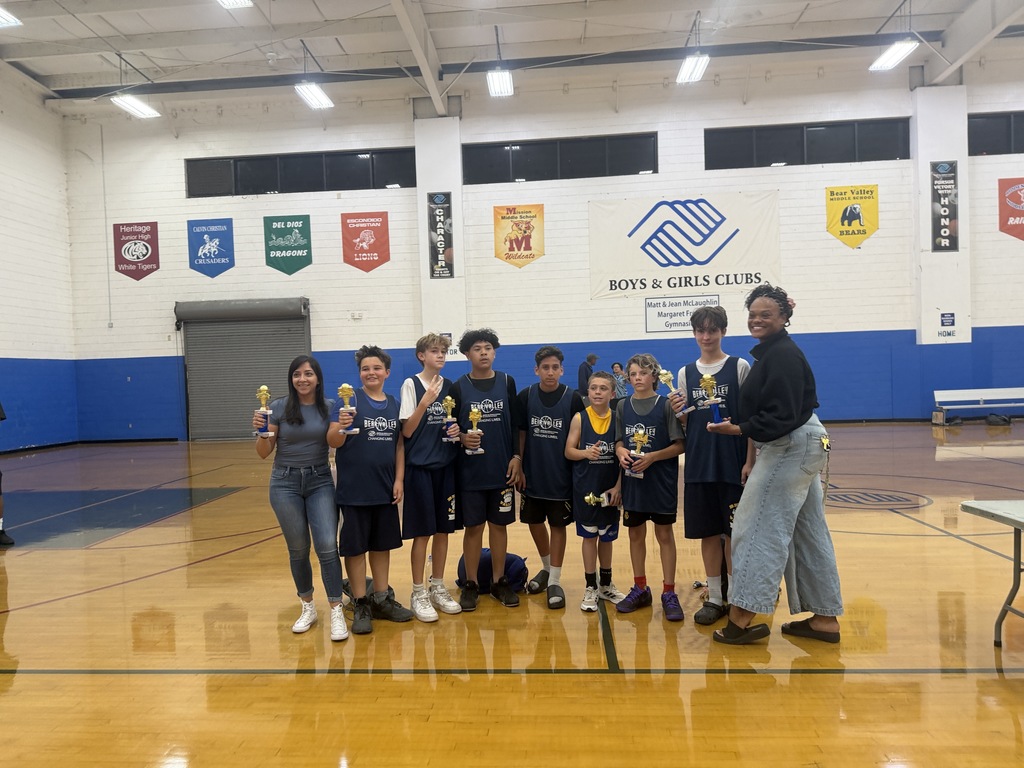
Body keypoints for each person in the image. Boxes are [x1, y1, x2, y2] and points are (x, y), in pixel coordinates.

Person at [707, 284, 842, 645]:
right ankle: (825, 619)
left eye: (766, 314)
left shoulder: (781, 355)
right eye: (753, 314)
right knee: (808, 531)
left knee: (755, 528)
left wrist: (740, 428)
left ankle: (740, 620)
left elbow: (780, 415)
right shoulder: (775, 353)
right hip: (804, 442)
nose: (757, 319)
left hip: (789, 445)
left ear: (784, 317)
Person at [668, 305, 754, 626]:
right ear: (694, 334)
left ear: (723, 332)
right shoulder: (685, 373)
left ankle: (737, 596)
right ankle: (715, 597)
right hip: (700, 465)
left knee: (734, 534)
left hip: (732, 464)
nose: (706, 336)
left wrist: (749, 462)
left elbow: (748, 421)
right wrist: (680, 413)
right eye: (700, 331)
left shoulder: (739, 366)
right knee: (708, 533)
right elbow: (689, 425)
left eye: (712, 330)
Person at [252, 355, 347, 642]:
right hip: (284, 482)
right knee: (298, 548)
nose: (302, 379)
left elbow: (335, 443)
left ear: (317, 378)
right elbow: (263, 452)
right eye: (297, 374)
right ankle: (307, 606)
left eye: (308, 374)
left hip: (319, 479)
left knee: (328, 546)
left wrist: (341, 425)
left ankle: (335, 608)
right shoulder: (278, 407)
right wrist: (261, 431)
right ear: (291, 379)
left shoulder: (331, 407)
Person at [328, 345, 413, 635]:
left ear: (387, 372)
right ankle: (361, 601)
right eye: (366, 368)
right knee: (354, 548)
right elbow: (334, 443)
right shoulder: (347, 402)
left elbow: (399, 445)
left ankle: (381, 598)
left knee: (381, 546)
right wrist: (340, 426)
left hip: (384, 490)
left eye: (377, 368)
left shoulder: (393, 403)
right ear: (359, 373)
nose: (371, 372)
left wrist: (399, 479)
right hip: (354, 491)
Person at [450, 328, 522, 610]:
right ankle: (471, 584)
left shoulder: (507, 382)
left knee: (500, 526)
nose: (483, 352)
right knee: (473, 528)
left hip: (501, 470)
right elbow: (449, 428)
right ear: (467, 354)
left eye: (488, 347)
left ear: (494, 352)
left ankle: (499, 582)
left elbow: (516, 424)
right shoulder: (458, 387)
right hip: (471, 472)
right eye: (477, 348)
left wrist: (517, 456)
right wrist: (461, 438)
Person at [614, 353, 686, 621]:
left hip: (661, 483)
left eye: (642, 374)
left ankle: (669, 591)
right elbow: (619, 441)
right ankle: (641, 588)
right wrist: (621, 452)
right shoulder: (622, 406)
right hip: (634, 484)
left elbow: (680, 445)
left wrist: (652, 457)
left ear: (654, 376)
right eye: (632, 374)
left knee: (664, 535)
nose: (637, 378)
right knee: (635, 535)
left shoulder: (665, 405)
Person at [399, 333, 463, 622]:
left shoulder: (449, 387)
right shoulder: (411, 385)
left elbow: (454, 426)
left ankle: (438, 585)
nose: (440, 356)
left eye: (443, 352)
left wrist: (456, 432)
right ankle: (418, 590)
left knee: (443, 531)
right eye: (434, 351)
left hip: (445, 467)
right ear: (421, 355)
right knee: (422, 532)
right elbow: (407, 431)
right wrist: (424, 403)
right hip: (419, 469)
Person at [516, 345, 585, 609]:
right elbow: (521, 434)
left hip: (561, 477)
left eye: (555, 367)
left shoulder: (573, 398)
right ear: (536, 370)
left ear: (562, 370)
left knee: (557, 526)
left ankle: (555, 579)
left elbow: (579, 438)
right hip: (532, 475)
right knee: (534, 522)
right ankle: (546, 568)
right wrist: (519, 464)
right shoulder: (526, 396)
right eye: (545, 367)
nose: (550, 372)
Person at [565, 371, 626, 612]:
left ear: (612, 393)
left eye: (603, 389)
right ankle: (591, 586)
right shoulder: (580, 418)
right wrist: (585, 453)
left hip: (610, 489)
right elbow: (569, 451)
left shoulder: (619, 418)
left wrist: (619, 487)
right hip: (586, 488)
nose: (597, 392)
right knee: (589, 537)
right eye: (593, 388)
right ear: (587, 392)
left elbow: (624, 457)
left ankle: (606, 584)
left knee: (607, 537)